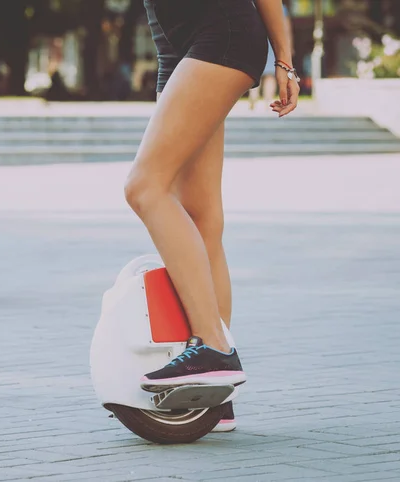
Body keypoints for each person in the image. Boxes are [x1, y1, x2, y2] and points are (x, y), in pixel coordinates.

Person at [128, 0, 299, 431]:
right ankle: (217, 400)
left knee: (144, 187)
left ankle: (213, 346)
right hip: (178, 49)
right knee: (202, 218)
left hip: (218, 35)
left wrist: (285, 60)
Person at [249, 3, 293, 110]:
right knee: (270, 75)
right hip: (272, 42)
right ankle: (267, 102)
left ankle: (253, 100)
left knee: (254, 72)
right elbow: (286, 29)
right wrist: (288, 47)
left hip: (255, 41)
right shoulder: (280, 7)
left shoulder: (252, 4)